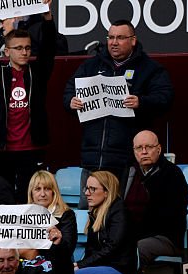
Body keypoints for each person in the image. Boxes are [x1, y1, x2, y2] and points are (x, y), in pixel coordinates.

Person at [64, 19, 173, 180]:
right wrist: (71, 102)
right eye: (110, 38)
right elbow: (69, 91)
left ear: (133, 40)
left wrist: (141, 102)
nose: (114, 42)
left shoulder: (150, 69)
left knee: (120, 205)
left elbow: (165, 97)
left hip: (126, 161)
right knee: (88, 205)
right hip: (92, 159)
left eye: (120, 38)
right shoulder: (90, 66)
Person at [0, 0, 58, 200]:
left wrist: (47, 17)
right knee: (2, 196)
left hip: (32, 148)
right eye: (19, 48)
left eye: (28, 48)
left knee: (27, 196)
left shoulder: (37, 73)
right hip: (3, 148)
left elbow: (49, 49)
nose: (24, 52)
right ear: (7, 51)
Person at [125, 130, 188, 264]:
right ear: (133, 151)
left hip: (165, 237)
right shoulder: (129, 172)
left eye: (148, 147)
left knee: (133, 249)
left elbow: (171, 215)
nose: (144, 152)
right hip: (133, 234)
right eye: (139, 148)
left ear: (159, 149)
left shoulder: (173, 174)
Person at [74, 171, 135, 274]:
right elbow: (91, 251)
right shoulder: (95, 213)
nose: (86, 193)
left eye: (93, 189)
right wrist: (79, 265)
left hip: (119, 272)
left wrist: (81, 265)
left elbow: (111, 248)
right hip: (99, 269)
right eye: (86, 188)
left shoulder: (120, 212)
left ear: (107, 192)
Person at [27, 170, 78, 257]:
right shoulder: (23, 215)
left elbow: (68, 251)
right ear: (31, 193)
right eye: (38, 189)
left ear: (54, 192)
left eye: (47, 189)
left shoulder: (67, 215)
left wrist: (58, 241)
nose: (42, 194)